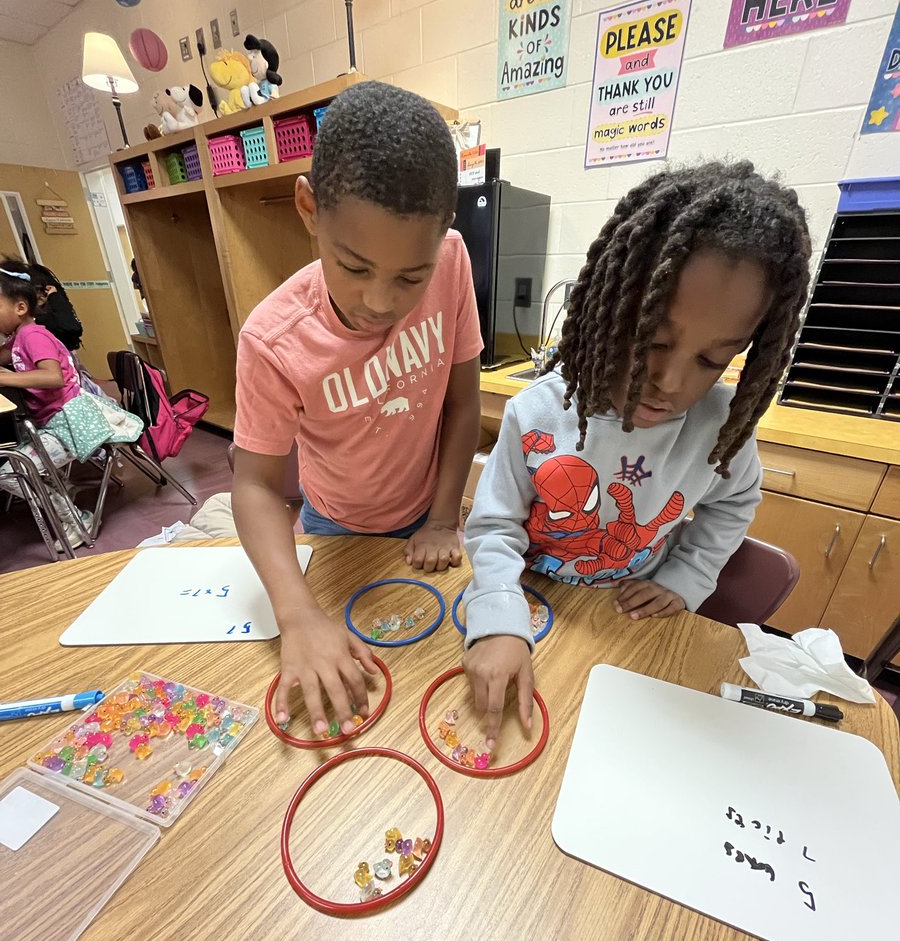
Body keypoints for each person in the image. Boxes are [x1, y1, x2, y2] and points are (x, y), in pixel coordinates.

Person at [462, 160, 811, 748]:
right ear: (611, 309)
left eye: (711, 360)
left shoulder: (721, 428)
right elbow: (494, 527)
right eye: (653, 341)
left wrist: (688, 575)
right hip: (534, 600)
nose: (670, 382)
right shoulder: (537, 413)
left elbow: (734, 502)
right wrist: (497, 616)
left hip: (631, 620)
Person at [232, 81, 483, 735]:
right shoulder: (272, 340)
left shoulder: (452, 262)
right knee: (340, 678)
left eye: (410, 278)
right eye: (354, 267)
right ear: (309, 210)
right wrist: (297, 615)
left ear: (441, 239)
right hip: (335, 525)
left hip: (429, 516)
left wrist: (443, 517)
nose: (379, 302)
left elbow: (463, 405)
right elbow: (254, 486)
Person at [0, 263, 141, 546]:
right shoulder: (20, 338)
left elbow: (53, 377)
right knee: (21, 461)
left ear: (20, 308)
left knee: (12, 473)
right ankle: (64, 491)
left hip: (71, 422)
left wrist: (7, 378)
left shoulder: (33, 336)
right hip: (55, 421)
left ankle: (76, 520)